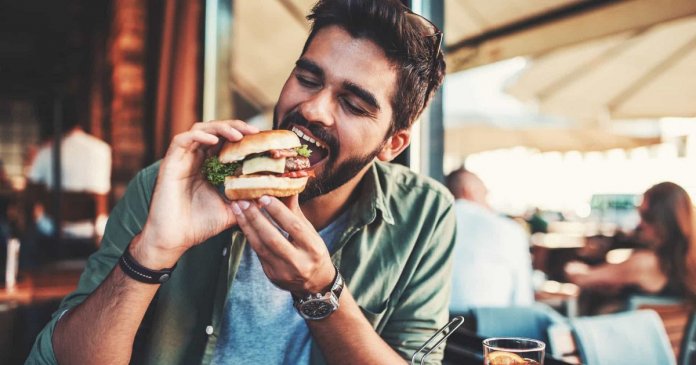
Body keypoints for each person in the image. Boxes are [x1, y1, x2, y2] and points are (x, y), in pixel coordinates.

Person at [27, 1, 454, 364]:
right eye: (307, 79)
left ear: (393, 143)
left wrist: (321, 292)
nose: (314, 109)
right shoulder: (169, 186)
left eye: (354, 104)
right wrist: (154, 250)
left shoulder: (425, 214)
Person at [565, 182, 696, 312]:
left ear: (662, 220)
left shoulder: (646, 264)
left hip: (626, 332)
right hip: (666, 332)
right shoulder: (687, 264)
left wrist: (575, 268)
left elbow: (583, 279)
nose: (640, 223)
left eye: (645, 215)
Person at [445, 168, 534, 313]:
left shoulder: (430, 223)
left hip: (438, 325)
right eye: (485, 192)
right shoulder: (507, 228)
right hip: (487, 323)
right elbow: (522, 297)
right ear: (468, 190)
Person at [26, 100, 111, 239]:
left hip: (53, 227)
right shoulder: (103, 150)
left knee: (30, 230)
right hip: (94, 228)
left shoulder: (46, 151)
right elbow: (103, 192)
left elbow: (31, 192)